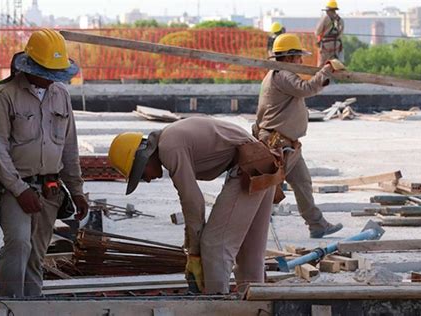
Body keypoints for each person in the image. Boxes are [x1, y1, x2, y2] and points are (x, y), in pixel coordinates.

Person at [108, 117, 282, 294]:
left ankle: (216, 306)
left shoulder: (169, 148)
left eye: (140, 174)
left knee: (215, 245)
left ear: (143, 158)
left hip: (250, 166)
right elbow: (190, 206)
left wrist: (194, 253)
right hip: (262, 163)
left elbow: (192, 201)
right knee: (249, 254)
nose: (146, 179)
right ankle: (255, 306)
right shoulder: (170, 138)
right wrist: (191, 246)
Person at [0, 29, 88, 297]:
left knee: (37, 253)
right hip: (13, 187)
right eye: (46, 72)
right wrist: (19, 190)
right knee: (19, 244)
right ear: (30, 65)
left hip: (50, 189)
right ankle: (10, 305)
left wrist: (76, 191)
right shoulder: (3, 97)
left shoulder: (60, 95)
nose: (51, 80)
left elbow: (68, 147)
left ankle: (32, 305)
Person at [252, 33, 344, 239]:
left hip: (287, 144)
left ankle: (317, 224)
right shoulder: (283, 74)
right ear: (290, 57)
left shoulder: (275, 74)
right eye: (298, 57)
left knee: (302, 183)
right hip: (278, 143)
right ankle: (251, 225)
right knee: (266, 189)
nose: (301, 61)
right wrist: (326, 70)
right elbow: (307, 88)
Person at [315, 0, 344, 66]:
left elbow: (317, 32)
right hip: (337, 45)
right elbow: (340, 34)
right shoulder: (340, 20)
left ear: (328, 10)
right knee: (335, 65)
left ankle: (320, 76)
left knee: (321, 65)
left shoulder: (325, 18)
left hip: (326, 45)